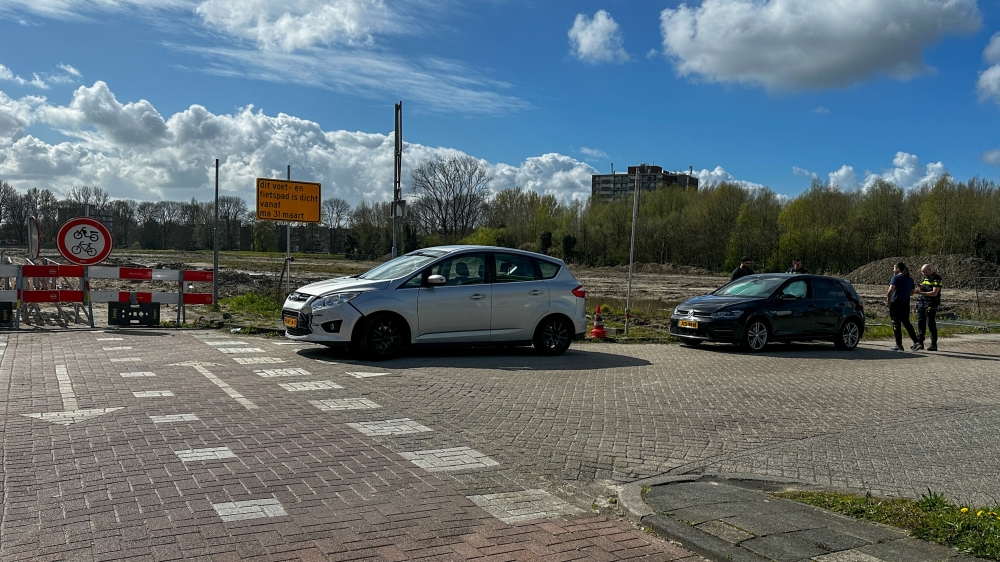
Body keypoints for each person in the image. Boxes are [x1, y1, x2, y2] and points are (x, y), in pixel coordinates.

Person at [887, 262, 918, 352]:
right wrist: (906, 294)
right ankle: (916, 341)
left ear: (897, 268)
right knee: (906, 322)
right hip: (905, 303)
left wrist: (889, 300)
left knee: (896, 323)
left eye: (894, 268)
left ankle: (899, 344)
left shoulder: (895, 278)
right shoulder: (910, 279)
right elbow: (912, 291)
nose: (893, 270)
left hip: (896, 303)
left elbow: (890, 290)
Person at [911, 263, 942, 351]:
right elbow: (923, 289)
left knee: (930, 323)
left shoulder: (937, 278)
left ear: (930, 270)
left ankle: (933, 344)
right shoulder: (925, 278)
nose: (924, 274)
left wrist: (921, 293)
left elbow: (934, 293)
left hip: (931, 303)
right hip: (922, 302)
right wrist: (920, 289)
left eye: (925, 272)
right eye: (922, 272)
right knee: (921, 322)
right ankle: (920, 342)